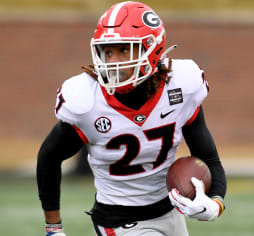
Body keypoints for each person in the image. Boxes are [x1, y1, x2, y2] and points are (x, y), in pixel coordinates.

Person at [37, 1, 227, 236]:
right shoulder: (88, 101)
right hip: (119, 219)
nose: (114, 61)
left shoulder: (180, 87)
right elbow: (49, 156)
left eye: (123, 50)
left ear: (152, 49)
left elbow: (209, 158)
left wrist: (216, 203)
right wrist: (53, 228)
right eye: (108, 51)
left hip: (170, 211)